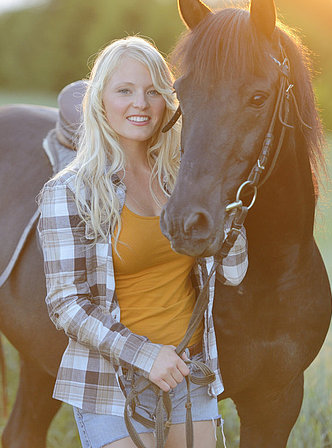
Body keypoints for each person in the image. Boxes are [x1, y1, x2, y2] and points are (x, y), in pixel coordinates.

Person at [37, 36, 248, 448]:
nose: (141, 103)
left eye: (153, 91)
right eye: (125, 91)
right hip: (111, 382)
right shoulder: (68, 192)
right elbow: (66, 304)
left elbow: (233, 272)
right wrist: (145, 354)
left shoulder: (183, 183)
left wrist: (226, 199)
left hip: (189, 371)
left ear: (169, 102)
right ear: (100, 101)